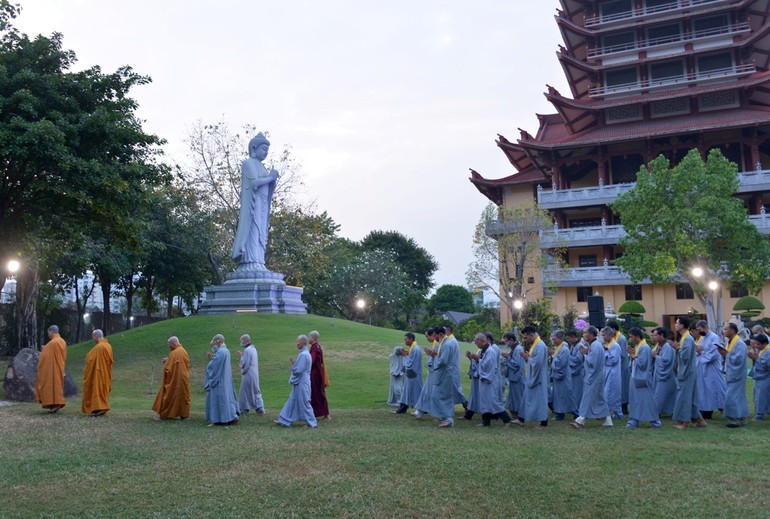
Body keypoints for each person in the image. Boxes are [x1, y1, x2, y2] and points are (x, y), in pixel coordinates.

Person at [230, 132, 279, 271]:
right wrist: (271, 177)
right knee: (254, 229)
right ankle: (250, 261)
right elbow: (254, 183)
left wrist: (272, 180)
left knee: (262, 231)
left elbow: (267, 186)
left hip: (263, 203)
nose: (266, 153)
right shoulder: (248, 163)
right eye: (264, 149)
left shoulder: (262, 167)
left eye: (267, 151)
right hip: (254, 203)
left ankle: (258, 260)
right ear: (253, 148)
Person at [571, 326, 613, 429]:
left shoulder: (596, 346)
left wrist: (584, 354)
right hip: (593, 376)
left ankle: (580, 420)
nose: (583, 335)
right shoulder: (594, 345)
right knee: (599, 399)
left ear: (592, 334)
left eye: (585, 333)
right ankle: (607, 421)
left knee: (588, 398)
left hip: (594, 377)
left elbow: (592, 362)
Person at [671, 317, 707, 430]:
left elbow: (685, 356)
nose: (675, 325)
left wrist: (677, 348)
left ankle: (684, 422)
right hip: (688, 371)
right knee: (690, 397)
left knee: (685, 396)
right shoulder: (685, 338)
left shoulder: (687, 339)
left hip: (687, 372)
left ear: (682, 325)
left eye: (677, 323)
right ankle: (699, 420)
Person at [275, 335, 317, 428]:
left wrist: (294, 363)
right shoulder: (304, 353)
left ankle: (312, 423)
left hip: (302, 382)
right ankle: (284, 420)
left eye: (298, 341)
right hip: (300, 381)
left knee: (304, 402)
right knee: (292, 400)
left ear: (302, 342)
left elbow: (299, 370)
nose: (296, 343)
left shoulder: (304, 354)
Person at [512, 326, 549, 429]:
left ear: (532, 335)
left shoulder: (540, 345)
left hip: (538, 378)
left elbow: (537, 363)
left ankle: (543, 423)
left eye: (526, 337)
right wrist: (528, 357)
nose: (525, 340)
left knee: (540, 400)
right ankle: (521, 419)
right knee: (526, 398)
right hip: (532, 376)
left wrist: (527, 357)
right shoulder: (535, 344)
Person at [471, 333, 511, 427]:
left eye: (477, 342)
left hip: (490, 379)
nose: (476, 344)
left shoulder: (491, 351)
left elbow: (489, 365)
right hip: (484, 379)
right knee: (484, 401)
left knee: (493, 402)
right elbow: (482, 362)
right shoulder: (483, 350)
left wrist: (479, 360)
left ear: (482, 341)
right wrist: (476, 359)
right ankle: (486, 422)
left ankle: (507, 419)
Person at [626, 328, 661, 428]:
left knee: (647, 400)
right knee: (635, 400)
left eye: (631, 337)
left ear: (638, 336)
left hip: (643, 379)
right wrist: (633, 355)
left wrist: (633, 356)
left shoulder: (644, 347)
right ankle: (634, 419)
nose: (630, 339)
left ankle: (655, 421)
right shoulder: (639, 346)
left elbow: (643, 364)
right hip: (636, 377)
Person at [718, 322, 749, 428]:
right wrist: (724, 355)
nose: (724, 331)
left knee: (732, 397)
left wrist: (726, 355)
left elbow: (738, 360)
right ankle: (741, 418)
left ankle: (735, 419)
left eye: (726, 329)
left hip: (737, 374)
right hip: (731, 374)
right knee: (738, 397)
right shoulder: (729, 342)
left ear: (733, 331)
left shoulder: (739, 343)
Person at [152, 336, 191, 420]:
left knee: (169, 395)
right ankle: (184, 415)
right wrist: (169, 361)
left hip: (175, 380)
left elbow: (168, 369)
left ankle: (167, 413)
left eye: (169, 344)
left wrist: (166, 362)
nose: (168, 346)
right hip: (183, 379)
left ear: (173, 343)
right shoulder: (183, 351)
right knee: (183, 396)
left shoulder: (175, 353)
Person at [204, 334, 239, 426]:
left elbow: (214, 367)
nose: (213, 347)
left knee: (219, 400)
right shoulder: (226, 351)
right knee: (226, 399)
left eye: (213, 345)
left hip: (219, 381)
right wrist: (213, 358)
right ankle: (231, 417)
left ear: (218, 342)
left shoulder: (221, 352)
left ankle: (218, 420)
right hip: (225, 380)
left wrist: (211, 361)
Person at [694, 320, 726, 419]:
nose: (699, 332)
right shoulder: (703, 338)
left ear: (705, 327)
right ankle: (707, 409)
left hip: (713, 368)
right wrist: (698, 350)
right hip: (704, 369)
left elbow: (714, 354)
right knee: (706, 390)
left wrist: (701, 352)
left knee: (717, 388)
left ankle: (723, 408)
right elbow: (699, 350)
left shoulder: (714, 337)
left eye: (700, 329)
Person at [428, 326, 458, 428]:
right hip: (442, 374)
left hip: (445, 374)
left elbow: (443, 361)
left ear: (441, 334)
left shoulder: (447, 343)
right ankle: (446, 418)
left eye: (436, 335)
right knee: (438, 396)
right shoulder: (443, 343)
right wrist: (434, 354)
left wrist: (434, 356)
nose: (435, 338)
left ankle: (448, 419)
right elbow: (440, 357)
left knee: (438, 396)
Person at [36, 325, 67, 413]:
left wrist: (42, 352)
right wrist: (45, 349)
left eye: (48, 332)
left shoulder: (52, 343)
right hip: (59, 367)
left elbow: (44, 356)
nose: (48, 334)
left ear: (51, 331)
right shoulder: (62, 341)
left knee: (51, 385)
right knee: (57, 385)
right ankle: (55, 404)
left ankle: (54, 403)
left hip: (52, 369)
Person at [81, 329, 113, 417]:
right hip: (105, 374)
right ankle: (101, 407)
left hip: (98, 373)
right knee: (102, 390)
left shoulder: (98, 348)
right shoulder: (108, 346)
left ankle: (100, 407)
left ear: (95, 336)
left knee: (97, 389)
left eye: (93, 337)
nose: (93, 339)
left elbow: (89, 359)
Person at [392, 333, 423, 414]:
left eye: (406, 339)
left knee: (414, 392)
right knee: (407, 392)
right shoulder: (412, 348)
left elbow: (411, 363)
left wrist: (405, 355)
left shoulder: (415, 349)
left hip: (413, 375)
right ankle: (403, 409)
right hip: (411, 374)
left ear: (411, 339)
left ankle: (421, 409)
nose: (404, 341)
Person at [650, 327, 677, 416]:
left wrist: (656, 357)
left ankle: (656, 412)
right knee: (659, 394)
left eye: (655, 335)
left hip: (666, 376)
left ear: (661, 335)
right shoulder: (659, 346)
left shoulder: (667, 347)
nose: (653, 337)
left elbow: (666, 361)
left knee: (660, 395)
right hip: (659, 375)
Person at [549, 330, 574, 421]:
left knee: (564, 396)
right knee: (558, 396)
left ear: (560, 339)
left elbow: (561, 363)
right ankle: (559, 414)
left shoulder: (564, 349)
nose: (553, 341)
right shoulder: (559, 348)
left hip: (562, 376)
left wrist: (552, 356)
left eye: (554, 339)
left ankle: (574, 414)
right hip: (558, 376)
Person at [237, 334, 265, 415]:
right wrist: (243, 356)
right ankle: (259, 407)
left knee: (244, 391)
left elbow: (245, 363)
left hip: (248, 374)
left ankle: (244, 409)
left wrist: (241, 357)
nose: (241, 342)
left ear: (245, 341)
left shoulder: (247, 350)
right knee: (255, 390)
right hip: (254, 373)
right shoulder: (253, 349)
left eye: (241, 341)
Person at [607, 321, 630, 415]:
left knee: (623, 387)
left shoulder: (621, 339)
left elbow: (623, 355)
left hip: (622, 366)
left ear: (613, 329)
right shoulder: (614, 339)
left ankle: (624, 406)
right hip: (616, 366)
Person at [444, 325, 468, 410]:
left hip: (453, 368)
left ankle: (466, 403)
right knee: (453, 388)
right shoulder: (451, 340)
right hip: (452, 368)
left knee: (456, 388)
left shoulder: (452, 341)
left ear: (448, 332)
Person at [502, 332, 525, 421]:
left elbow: (517, 365)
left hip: (518, 378)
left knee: (518, 398)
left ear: (511, 340)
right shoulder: (514, 348)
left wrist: (507, 357)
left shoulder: (518, 349)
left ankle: (520, 417)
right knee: (512, 399)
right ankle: (515, 416)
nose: (506, 343)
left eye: (506, 341)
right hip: (513, 377)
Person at [414, 328, 436, 419]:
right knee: (426, 391)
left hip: (435, 372)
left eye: (427, 336)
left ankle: (421, 411)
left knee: (428, 392)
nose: (427, 338)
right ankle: (420, 410)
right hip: (432, 371)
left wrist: (431, 354)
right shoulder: (436, 344)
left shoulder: (439, 344)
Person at [602, 326, 623, 419]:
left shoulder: (615, 346)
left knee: (612, 393)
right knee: (609, 393)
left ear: (610, 335)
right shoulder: (608, 345)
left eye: (604, 335)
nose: (603, 337)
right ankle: (615, 414)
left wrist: (605, 353)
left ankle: (613, 414)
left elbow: (613, 360)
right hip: (608, 372)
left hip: (613, 372)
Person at [308, 330, 330, 420]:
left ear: (313, 338)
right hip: (315, 374)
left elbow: (311, 361)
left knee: (318, 394)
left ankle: (326, 414)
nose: (308, 338)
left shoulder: (316, 348)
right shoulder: (315, 347)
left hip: (315, 375)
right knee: (316, 394)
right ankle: (322, 413)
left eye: (309, 336)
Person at [748, 333, 770, 420]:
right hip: (758, 376)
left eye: (758, 344)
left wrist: (757, 358)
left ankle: (760, 415)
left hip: (765, 377)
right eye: (755, 344)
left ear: (765, 344)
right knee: (757, 396)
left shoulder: (768, 352)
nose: (756, 346)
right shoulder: (760, 350)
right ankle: (766, 411)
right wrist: (753, 358)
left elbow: (767, 366)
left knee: (761, 397)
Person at [565, 330, 584, 418]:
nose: (568, 340)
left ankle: (578, 413)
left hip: (579, 372)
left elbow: (578, 359)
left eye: (569, 338)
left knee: (578, 393)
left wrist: (568, 356)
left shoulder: (579, 346)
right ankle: (575, 411)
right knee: (574, 393)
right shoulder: (573, 346)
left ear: (573, 337)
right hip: (574, 373)